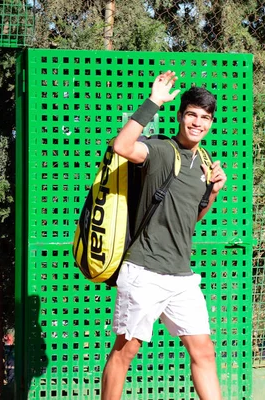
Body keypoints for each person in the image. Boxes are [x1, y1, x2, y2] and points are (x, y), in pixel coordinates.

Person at [101, 70, 226, 400]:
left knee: (205, 353)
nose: (197, 123)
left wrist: (212, 192)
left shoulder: (204, 161)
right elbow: (122, 145)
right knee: (125, 353)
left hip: (182, 277)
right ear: (181, 115)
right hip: (145, 272)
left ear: (210, 123)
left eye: (204, 118)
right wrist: (154, 100)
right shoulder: (158, 151)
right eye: (192, 115)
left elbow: (189, 220)